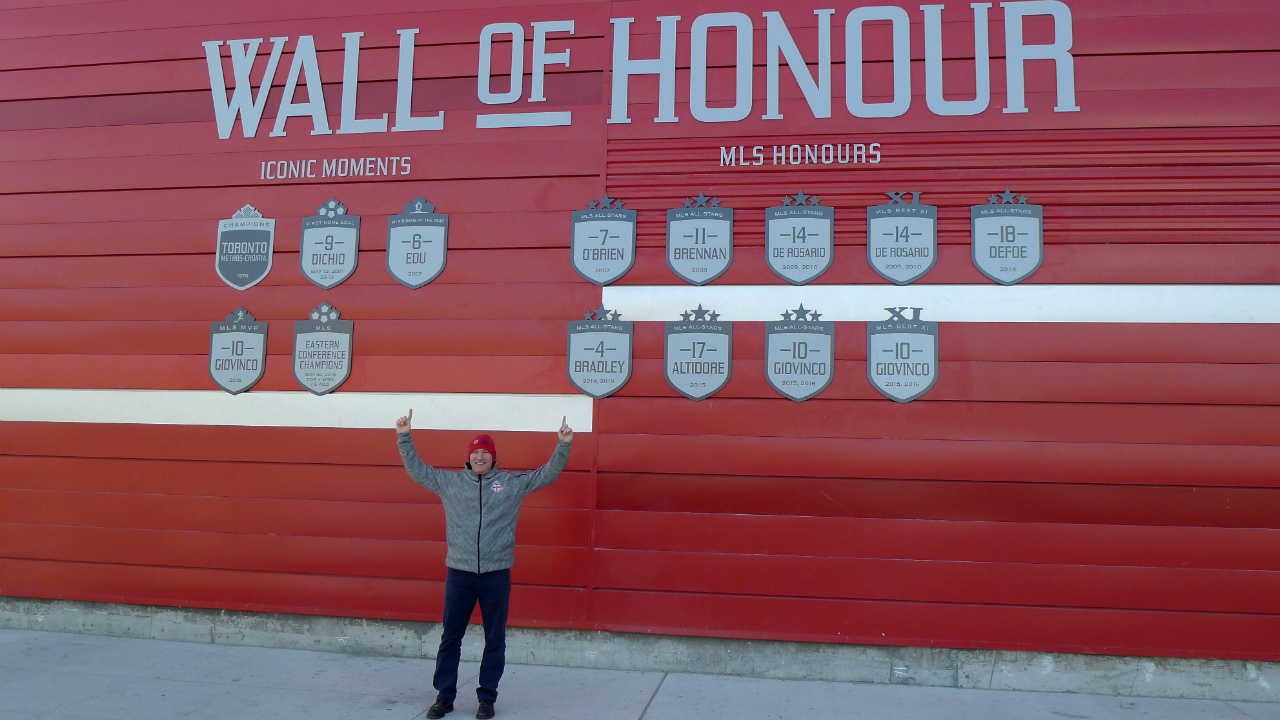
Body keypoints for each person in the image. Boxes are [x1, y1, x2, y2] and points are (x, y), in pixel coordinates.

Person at [395, 409, 573, 720]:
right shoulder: (451, 484)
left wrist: (564, 444)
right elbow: (417, 471)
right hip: (460, 574)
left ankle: (487, 698)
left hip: (496, 574)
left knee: (495, 638)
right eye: (475, 452)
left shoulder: (510, 484)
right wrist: (404, 437)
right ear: (469, 457)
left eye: (485, 452)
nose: (480, 457)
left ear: (493, 457)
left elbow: (547, 474)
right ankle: (444, 697)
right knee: (451, 636)